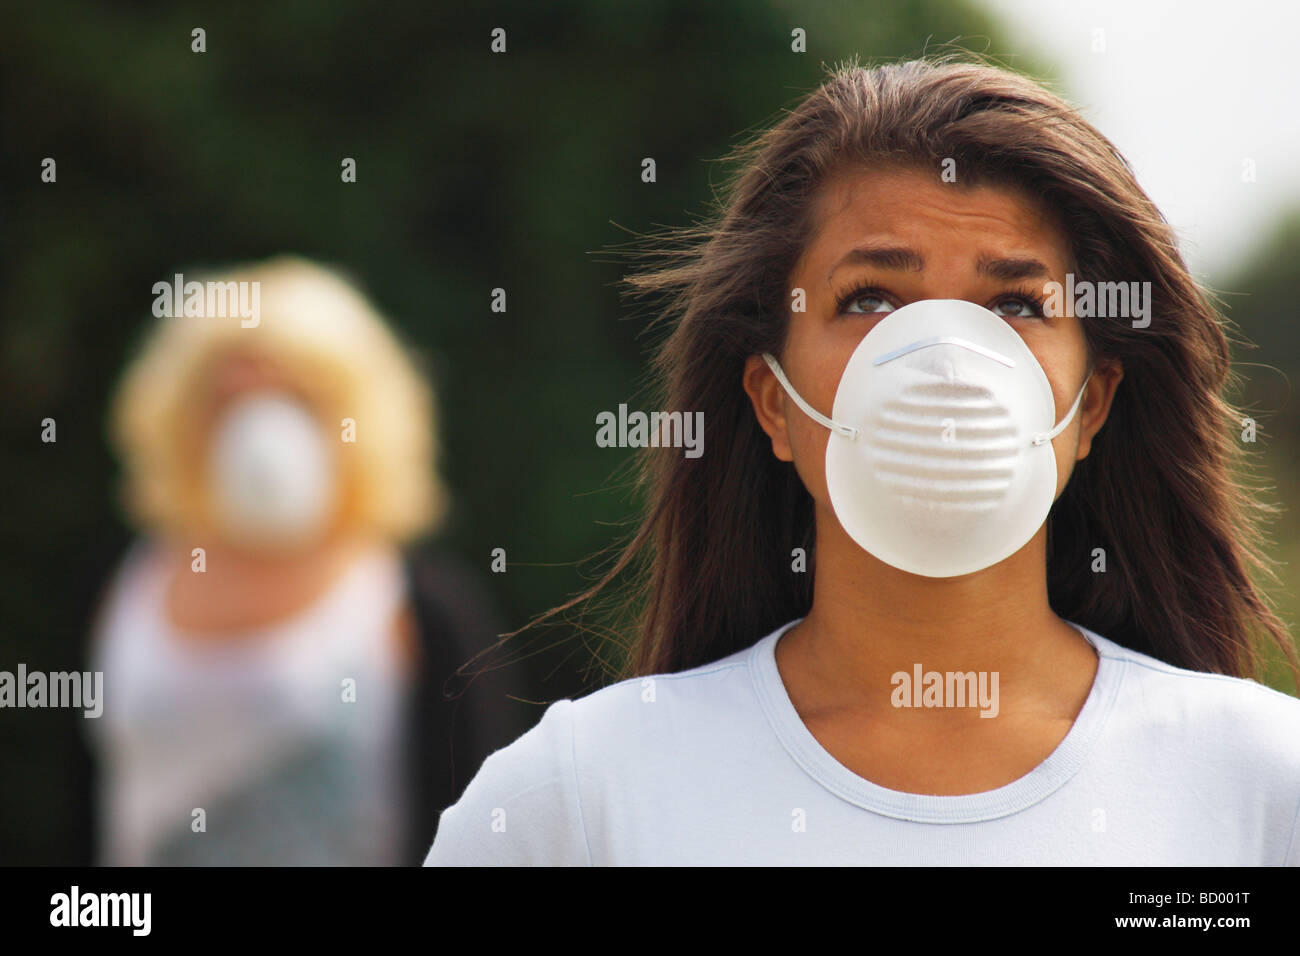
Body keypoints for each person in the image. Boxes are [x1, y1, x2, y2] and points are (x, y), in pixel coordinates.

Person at [425, 57, 1300, 866]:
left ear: (1091, 406)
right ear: (772, 401)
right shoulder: (577, 801)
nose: (948, 361)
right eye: (871, 298)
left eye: (1016, 304)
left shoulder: (1261, 786)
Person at [89, 255, 528, 865]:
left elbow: (482, 831)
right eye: (231, 404)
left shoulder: (421, 606)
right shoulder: (133, 583)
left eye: (297, 401)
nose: (262, 433)